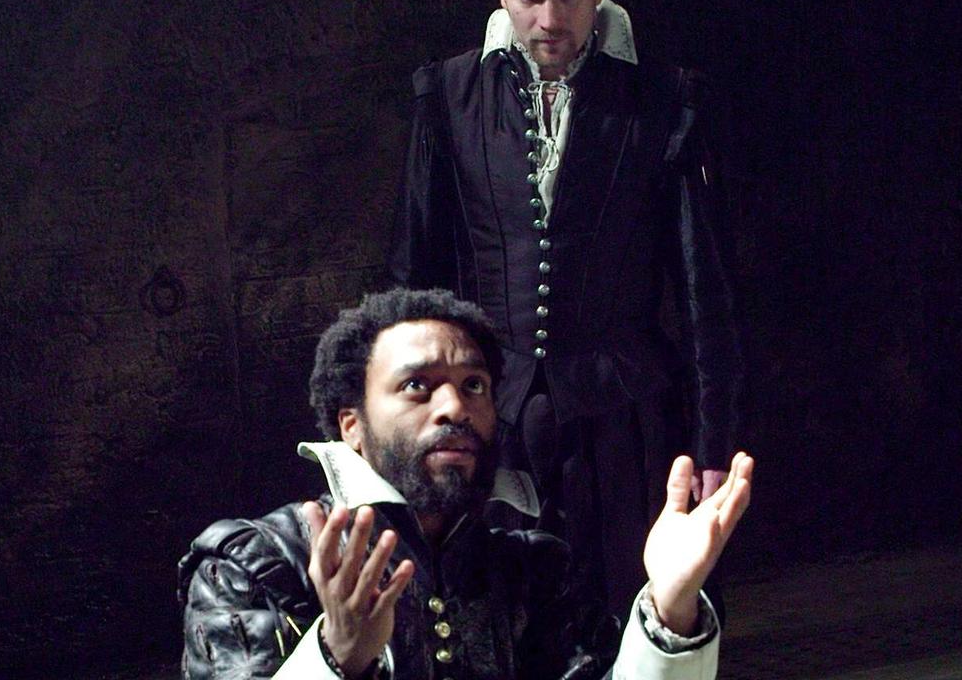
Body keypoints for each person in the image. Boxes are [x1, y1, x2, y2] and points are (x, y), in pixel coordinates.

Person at [388, 0, 745, 616]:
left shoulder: (662, 103)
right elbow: (411, 281)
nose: (548, 19)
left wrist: (714, 449)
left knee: (631, 615)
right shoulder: (449, 96)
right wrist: (397, 435)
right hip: (491, 420)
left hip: (625, 422)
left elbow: (704, 295)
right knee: (495, 624)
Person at [179, 288, 753, 679]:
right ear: (351, 425)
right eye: (417, 385)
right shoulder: (254, 567)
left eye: (474, 385)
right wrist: (337, 657)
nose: (455, 406)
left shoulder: (533, 571)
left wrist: (669, 611)